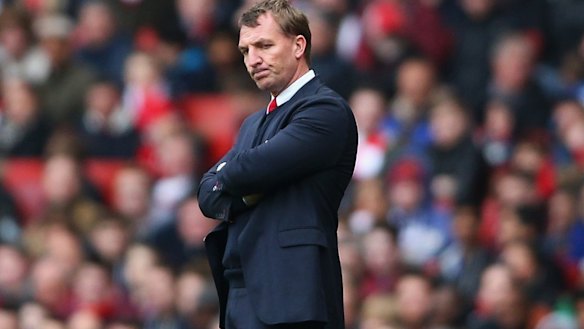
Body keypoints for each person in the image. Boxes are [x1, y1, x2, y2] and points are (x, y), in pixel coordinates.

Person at [198, 1, 358, 328]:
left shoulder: (325, 110)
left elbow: (246, 171)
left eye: (264, 45)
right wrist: (244, 188)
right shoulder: (252, 124)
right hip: (241, 293)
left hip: (293, 295)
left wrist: (236, 181)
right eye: (245, 51)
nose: (253, 59)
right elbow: (207, 194)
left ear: (299, 45)